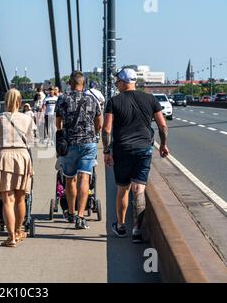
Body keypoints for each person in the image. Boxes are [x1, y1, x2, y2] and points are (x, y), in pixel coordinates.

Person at [102, 68, 169, 243]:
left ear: (124, 82)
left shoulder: (114, 101)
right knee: (139, 189)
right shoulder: (150, 99)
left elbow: (107, 129)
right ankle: (137, 230)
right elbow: (162, 126)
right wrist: (163, 145)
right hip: (144, 149)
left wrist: (106, 151)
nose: (116, 84)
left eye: (118, 82)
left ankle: (121, 226)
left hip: (122, 149)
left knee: (122, 188)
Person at [55, 71, 103, 229]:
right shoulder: (92, 99)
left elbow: (58, 123)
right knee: (85, 178)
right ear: (84, 83)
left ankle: (71, 212)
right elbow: (99, 123)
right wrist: (93, 134)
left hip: (70, 143)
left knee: (70, 179)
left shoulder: (63, 99)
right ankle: (81, 217)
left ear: (70, 83)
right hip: (88, 143)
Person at [0, 88, 35, 247]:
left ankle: (11, 237)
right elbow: (31, 140)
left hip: (5, 157)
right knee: (21, 198)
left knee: (7, 200)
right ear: (19, 102)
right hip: (22, 157)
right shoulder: (27, 119)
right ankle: (18, 231)